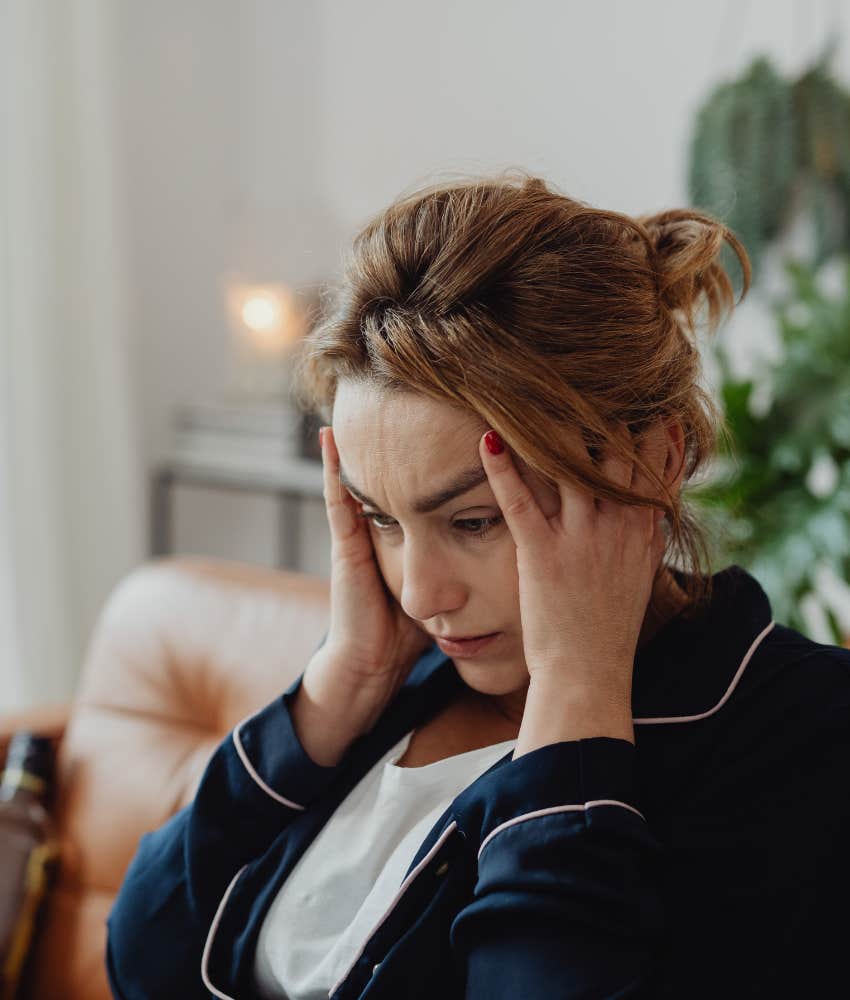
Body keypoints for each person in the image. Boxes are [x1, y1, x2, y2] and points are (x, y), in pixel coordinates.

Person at [106, 173, 850, 999]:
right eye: (380, 517)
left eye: (473, 521)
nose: (422, 594)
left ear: (655, 461)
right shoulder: (402, 682)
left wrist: (578, 694)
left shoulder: (804, 735)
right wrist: (335, 689)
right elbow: (141, 954)